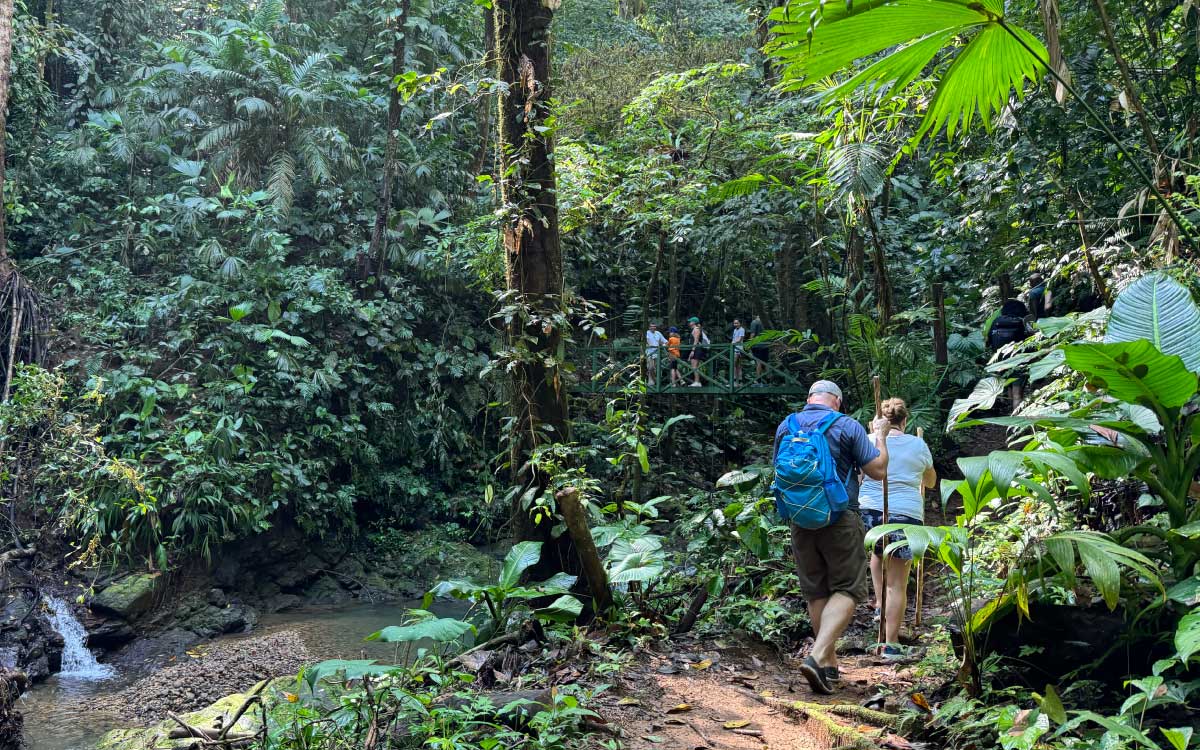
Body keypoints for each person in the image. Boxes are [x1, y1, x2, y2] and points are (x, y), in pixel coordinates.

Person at [773, 381, 889, 694]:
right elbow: (878, 470)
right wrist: (880, 435)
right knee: (848, 588)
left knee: (816, 590)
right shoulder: (846, 425)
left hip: (799, 519)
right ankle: (816, 656)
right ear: (836, 401)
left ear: (810, 398)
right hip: (840, 517)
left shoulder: (787, 425)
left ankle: (828, 665)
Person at [858, 398, 936, 660]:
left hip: (870, 510)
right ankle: (890, 644)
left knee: (878, 554)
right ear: (905, 421)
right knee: (897, 584)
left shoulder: (868, 440)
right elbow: (931, 480)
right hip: (906, 515)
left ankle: (880, 606)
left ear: (879, 419)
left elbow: (859, 475)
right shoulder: (918, 444)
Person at [986, 299, 1035, 409]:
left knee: (1009, 386)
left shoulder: (996, 321)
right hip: (1018, 361)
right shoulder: (1022, 322)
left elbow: (988, 341)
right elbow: (1032, 341)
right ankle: (1016, 419)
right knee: (1018, 394)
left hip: (1000, 361)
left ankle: (1009, 411)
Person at [644, 322, 668, 387]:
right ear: (649, 327)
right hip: (649, 352)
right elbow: (643, 342)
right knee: (650, 367)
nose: (653, 327)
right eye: (651, 326)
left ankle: (652, 382)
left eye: (654, 326)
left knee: (657, 368)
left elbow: (665, 342)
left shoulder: (658, 333)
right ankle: (654, 380)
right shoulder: (646, 333)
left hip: (657, 353)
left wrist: (663, 345)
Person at [687, 317, 710, 387]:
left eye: (690, 321)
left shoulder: (696, 329)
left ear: (694, 322)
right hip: (695, 349)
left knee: (694, 366)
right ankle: (696, 381)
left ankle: (697, 382)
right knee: (693, 366)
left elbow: (696, 340)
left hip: (697, 349)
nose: (689, 323)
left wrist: (693, 350)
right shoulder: (694, 329)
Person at [749, 314, 767, 382]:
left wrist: (749, 344)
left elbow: (752, 334)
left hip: (757, 345)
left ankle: (758, 380)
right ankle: (768, 380)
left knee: (758, 362)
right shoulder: (765, 322)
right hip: (766, 344)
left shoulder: (754, 322)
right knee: (765, 362)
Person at [731, 318, 746, 384]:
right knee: (735, 365)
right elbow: (734, 338)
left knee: (737, 365)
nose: (735, 324)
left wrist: (733, 343)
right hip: (734, 349)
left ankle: (739, 380)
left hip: (739, 349)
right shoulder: (734, 330)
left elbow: (740, 339)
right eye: (734, 323)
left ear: (740, 323)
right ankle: (736, 380)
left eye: (737, 323)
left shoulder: (742, 329)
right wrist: (732, 343)